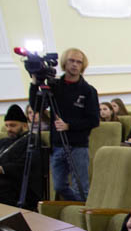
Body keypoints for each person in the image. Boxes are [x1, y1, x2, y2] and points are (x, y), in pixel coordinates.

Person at [28, 47, 99, 201]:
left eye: (78, 62)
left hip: (78, 145)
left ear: (83, 66)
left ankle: (81, 215)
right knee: (59, 186)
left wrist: (69, 125)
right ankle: (74, 206)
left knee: (81, 186)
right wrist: (35, 83)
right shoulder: (55, 86)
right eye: (71, 61)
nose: (74, 65)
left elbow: (94, 120)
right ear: (64, 64)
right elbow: (37, 106)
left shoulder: (88, 90)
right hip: (57, 144)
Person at [0, 104, 41, 208]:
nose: (9, 129)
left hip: (18, 185)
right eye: (7, 125)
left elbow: (27, 164)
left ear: (24, 125)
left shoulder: (31, 140)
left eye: (13, 125)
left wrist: (2, 168)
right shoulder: (4, 141)